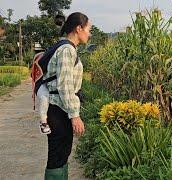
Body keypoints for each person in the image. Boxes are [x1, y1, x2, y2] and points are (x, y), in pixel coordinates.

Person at [44, 12, 91, 179]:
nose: (89, 33)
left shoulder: (68, 48)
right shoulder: (66, 50)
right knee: (57, 156)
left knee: (62, 154)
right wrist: (74, 115)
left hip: (60, 108)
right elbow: (65, 85)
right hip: (58, 110)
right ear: (79, 28)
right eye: (88, 29)